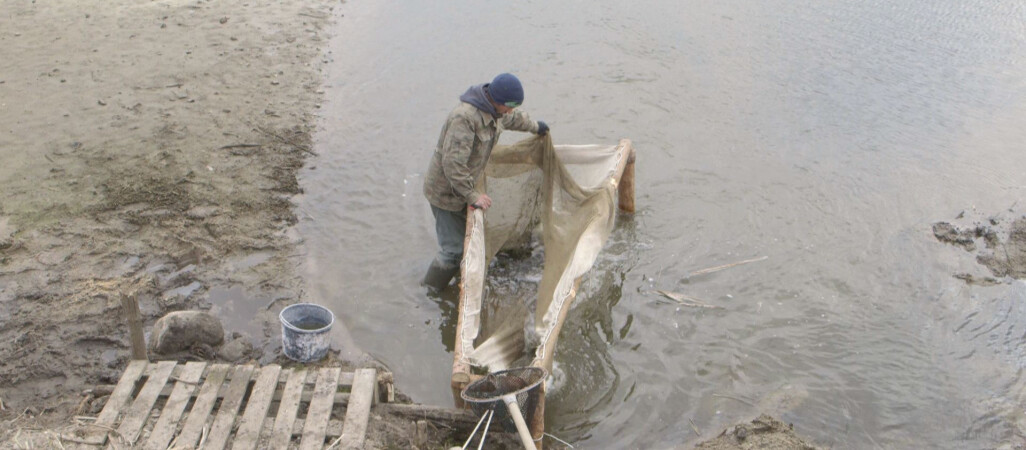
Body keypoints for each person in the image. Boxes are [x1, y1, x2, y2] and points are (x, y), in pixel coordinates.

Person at [422, 73, 549, 291]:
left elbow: (514, 119)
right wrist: (473, 196)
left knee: (466, 242)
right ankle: (430, 290)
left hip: (462, 187)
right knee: (452, 250)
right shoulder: (464, 118)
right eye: (509, 106)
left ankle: (458, 282)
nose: (510, 111)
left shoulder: (495, 111)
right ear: (498, 101)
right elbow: (452, 165)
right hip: (445, 194)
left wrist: (537, 127)